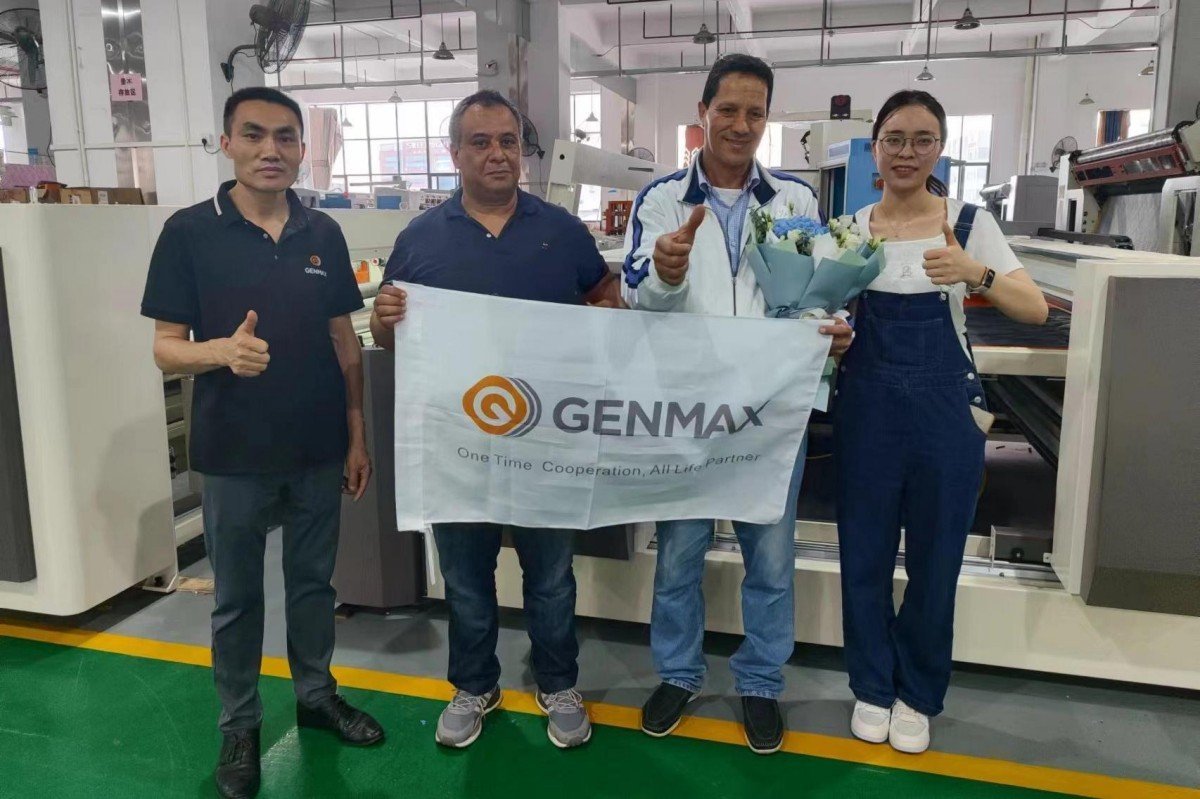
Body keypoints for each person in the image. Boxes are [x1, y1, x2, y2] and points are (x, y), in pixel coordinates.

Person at [141, 87, 384, 799]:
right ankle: (239, 726)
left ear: (304, 148)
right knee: (238, 599)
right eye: (254, 135)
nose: (270, 149)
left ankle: (315, 695)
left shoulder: (322, 234)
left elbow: (346, 337)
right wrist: (220, 351)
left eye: (285, 137)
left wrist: (356, 430)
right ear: (227, 143)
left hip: (316, 446)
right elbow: (164, 349)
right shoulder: (189, 232)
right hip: (233, 453)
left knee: (314, 586)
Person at [370, 90, 621, 750]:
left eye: (508, 140)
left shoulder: (560, 230)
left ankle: (558, 681)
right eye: (480, 141)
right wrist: (383, 322)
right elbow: (394, 335)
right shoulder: (420, 240)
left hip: (547, 440)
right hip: (460, 442)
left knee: (550, 577)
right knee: (465, 577)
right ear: (454, 153)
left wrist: (604, 317)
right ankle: (473, 683)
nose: (497, 153)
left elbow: (604, 295)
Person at [621, 53, 854, 755]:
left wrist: (837, 330)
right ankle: (680, 672)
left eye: (755, 112)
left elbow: (821, 290)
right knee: (680, 555)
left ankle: (759, 683)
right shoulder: (661, 198)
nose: (741, 124)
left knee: (772, 558)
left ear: (766, 120)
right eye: (728, 109)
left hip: (768, 415)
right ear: (703, 113)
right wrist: (664, 271)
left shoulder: (795, 202)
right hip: (686, 414)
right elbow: (638, 294)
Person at [835, 90, 1048, 755]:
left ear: (940, 149)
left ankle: (917, 692)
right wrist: (834, 334)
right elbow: (822, 312)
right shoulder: (851, 226)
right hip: (866, 406)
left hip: (943, 412)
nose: (906, 152)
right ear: (874, 149)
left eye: (921, 139)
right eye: (894, 138)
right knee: (863, 553)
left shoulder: (969, 221)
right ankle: (872, 684)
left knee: (935, 559)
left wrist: (973, 270)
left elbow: (1035, 308)